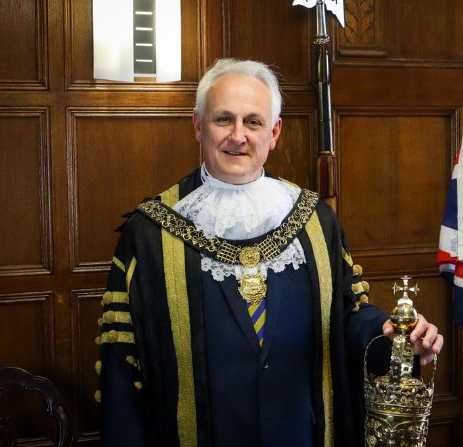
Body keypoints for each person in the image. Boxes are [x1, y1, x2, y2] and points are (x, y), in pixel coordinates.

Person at [96, 58, 443, 447]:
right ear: (198, 125)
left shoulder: (316, 220)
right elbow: (120, 371)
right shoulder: (149, 232)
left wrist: (392, 335)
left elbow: (347, 317)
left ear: (274, 131)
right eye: (223, 119)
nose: (238, 135)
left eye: (253, 122)